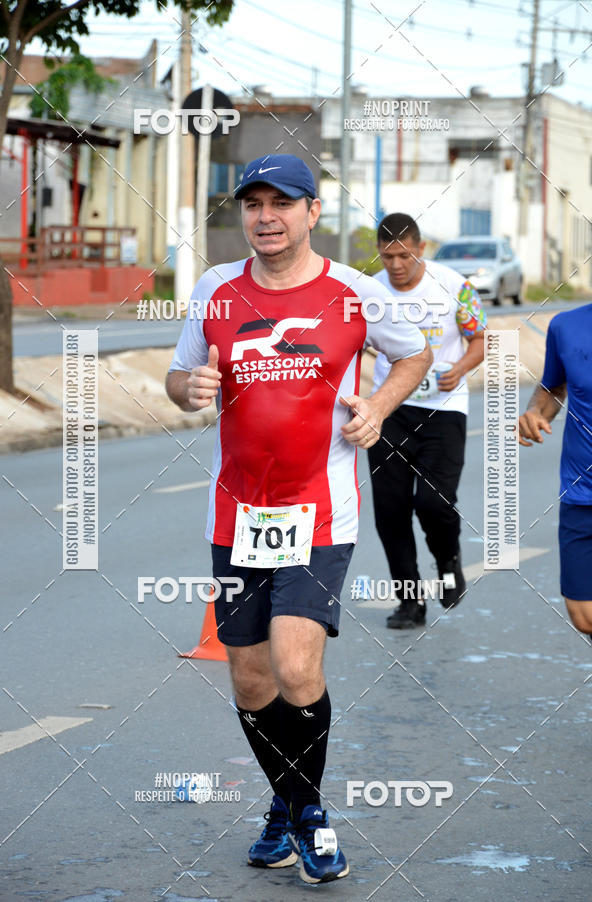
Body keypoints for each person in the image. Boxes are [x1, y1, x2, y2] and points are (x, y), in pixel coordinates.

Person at [166, 155, 431, 884]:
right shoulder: (215, 290)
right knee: (251, 683)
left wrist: (376, 408)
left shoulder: (353, 294)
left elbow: (416, 355)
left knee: (294, 663)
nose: (265, 216)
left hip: (321, 508)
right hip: (237, 511)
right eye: (253, 203)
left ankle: (308, 816)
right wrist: (187, 387)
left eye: (282, 202)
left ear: (313, 212)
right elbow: (177, 376)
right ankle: (287, 801)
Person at [367, 213, 487, 629]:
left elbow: (480, 339)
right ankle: (410, 601)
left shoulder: (454, 286)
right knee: (390, 511)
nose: (395, 265)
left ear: (420, 249)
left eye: (403, 255)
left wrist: (461, 368)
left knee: (433, 503)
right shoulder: (369, 291)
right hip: (390, 410)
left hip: (444, 410)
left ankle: (448, 561)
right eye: (387, 257)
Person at [519, 304, 592, 639]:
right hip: (581, 492)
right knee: (583, 614)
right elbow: (554, 387)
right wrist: (536, 412)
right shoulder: (565, 326)